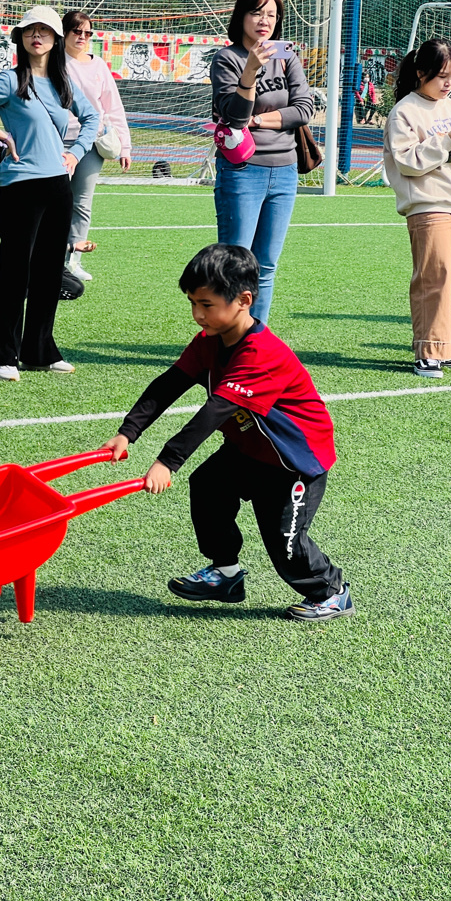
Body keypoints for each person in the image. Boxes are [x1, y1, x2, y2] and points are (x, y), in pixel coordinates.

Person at [102, 244, 354, 623]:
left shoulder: (261, 354)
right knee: (207, 487)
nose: (197, 314)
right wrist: (128, 432)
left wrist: (167, 461)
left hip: (293, 462)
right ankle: (225, 574)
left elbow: (215, 411)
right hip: (248, 449)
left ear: (243, 300)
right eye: (192, 303)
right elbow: (170, 383)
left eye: (206, 305)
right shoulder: (209, 340)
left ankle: (331, 592)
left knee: (283, 541)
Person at [0, 6, 98, 382]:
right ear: (20, 37)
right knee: (15, 272)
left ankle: (39, 352)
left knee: (49, 274)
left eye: (45, 31)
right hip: (20, 185)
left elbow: (93, 118)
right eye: (30, 30)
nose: (37, 36)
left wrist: (75, 153)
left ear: (56, 39)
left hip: (58, 186)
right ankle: (2, 355)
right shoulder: (9, 80)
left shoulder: (63, 83)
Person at [210, 0, 313, 325]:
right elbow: (235, 117)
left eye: (271, 14)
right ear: (241, 16)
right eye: (257, 13)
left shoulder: (287, 57)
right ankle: (227, 337)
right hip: (242, 171)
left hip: (284, 170)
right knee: (234, 264)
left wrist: (259, 120)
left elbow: (304, 109)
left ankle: (255, 339)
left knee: (265, 266)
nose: (264, 21)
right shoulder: (227, 59)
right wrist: (251, 70)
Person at [383, 37, 451, 379]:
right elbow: (407, 162)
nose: (448, 83)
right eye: (441, 76)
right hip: (427, 205)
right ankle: (429, 351)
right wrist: (448, 140)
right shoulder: (404, 111)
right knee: (434, 279)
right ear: (420, 72)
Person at [62, 10, 132, 281]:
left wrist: (124, 146)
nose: (82, 37)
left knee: (81, 202)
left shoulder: (99, 65)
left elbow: (113, 106)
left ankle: (72, 262)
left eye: (87, 33)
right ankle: (45, 259)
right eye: (76, 31)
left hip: (91, 142)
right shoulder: (53, 62)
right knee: (54, 200)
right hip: (57, 141)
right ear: (64, 33)